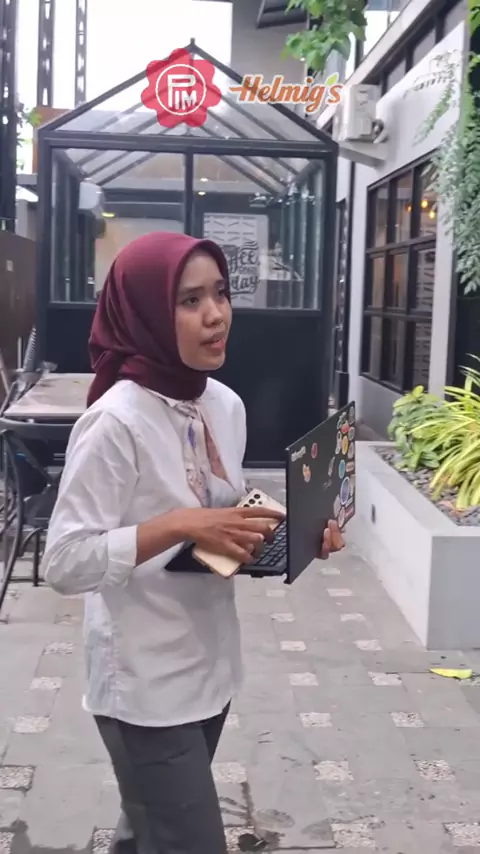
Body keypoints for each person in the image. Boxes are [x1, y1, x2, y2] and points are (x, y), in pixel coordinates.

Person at [41, 232, 345, 854]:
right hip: (145, 685)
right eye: (189, 300)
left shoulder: (223, 404)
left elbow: (221, 512)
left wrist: (297, 531)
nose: (216, 315)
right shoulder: (114, 422)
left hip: (210, 665)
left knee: (149, 831)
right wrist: (179, 525)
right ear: (146, 314)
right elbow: (64, 562)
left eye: (221, 293)